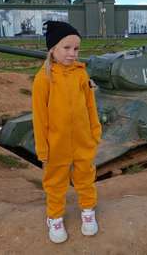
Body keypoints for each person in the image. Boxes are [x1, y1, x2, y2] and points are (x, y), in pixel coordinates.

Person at [32, 21, 102, 244]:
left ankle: (88, 210)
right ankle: (54, 217)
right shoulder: (43, 78)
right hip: (56, 143)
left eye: (76, 49)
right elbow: (39, 116)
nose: (73, 54)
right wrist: (43, 147)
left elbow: (90, 105)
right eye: (67, 48)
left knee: (85, 177)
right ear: (52, 49)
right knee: (55, 182)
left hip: (83, 140)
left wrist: (94, 131)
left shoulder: (81, 74)